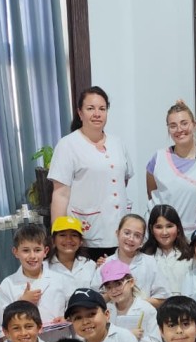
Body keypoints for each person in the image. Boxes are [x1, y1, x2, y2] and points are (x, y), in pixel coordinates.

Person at [49, 86, 134, 260]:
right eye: (90, 108)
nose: (97, 114)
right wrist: (58, 235)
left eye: (102, 109)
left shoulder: (117, 143)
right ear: (80, 113)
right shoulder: (67, 145)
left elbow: (123, 181)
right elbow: (60, 195)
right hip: (85, 236)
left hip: (120, 232)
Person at [145, 100, 196, 236]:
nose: (179, 129)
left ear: (194, 125)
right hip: (160, 235)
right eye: (173, 125)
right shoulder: (158, 158)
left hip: (192, 234)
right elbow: (151, 194)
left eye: (184, 123)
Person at [0, 222, 71, 325]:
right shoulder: (8, 284)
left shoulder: (60, 279)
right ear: (15, 252)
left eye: (37, 250)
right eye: (26, 250)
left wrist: (66, 318)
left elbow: (72, 309)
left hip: (59, 333)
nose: (32, 256)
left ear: (45, 251)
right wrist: (22, 302)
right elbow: (3, 320)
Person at [90, 214, 169, 307]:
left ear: (142, 241)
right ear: (117, 233)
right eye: (127, 233)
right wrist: (113, 291)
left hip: (143, 314)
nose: (131, 238)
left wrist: (135, 304)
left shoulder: (150, 263)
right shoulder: (105, 263)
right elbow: (93, 300)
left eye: (137, 235)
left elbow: (163, 298)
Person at [99, 258, 161, 342]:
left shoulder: (147, 309)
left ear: (131, 282)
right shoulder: (105, 311)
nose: (114, 291)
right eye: (109, 287)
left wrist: (125, 341)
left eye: (118, 284)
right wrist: (127, 336)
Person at [141, 204, 193, 295]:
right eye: (159, 227)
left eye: (169, 226)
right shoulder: (143, 255)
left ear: (178, 228)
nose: (164, 232)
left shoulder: (191, 253)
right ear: (151, 229)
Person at [47, 215, 96, 289]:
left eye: (74, 235)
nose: (69, 240)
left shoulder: (90, 265)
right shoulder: (44, 267)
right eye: (62, 235)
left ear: (81, 241)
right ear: (53, 240)